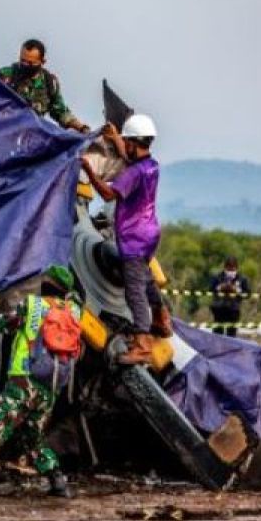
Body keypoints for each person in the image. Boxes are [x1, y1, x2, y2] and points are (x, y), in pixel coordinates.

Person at [0, 265, 84, 498]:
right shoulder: (74, 311)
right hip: (51, 386)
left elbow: (0, 324)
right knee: (31, 436)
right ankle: (57, 481)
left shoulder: (32, 306)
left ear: (48, 284)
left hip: (24, 379)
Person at [80, 114, 170, 364]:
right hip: (150, 233)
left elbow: (108, 194)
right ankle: (163, 318)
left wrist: (89, 170)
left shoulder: (132, 174)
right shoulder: (152, 166)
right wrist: (118, 140)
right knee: (146, 277)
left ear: (133, 142)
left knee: (134, 291)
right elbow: (132, 157)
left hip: (133, 238)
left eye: (126, 142)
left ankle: (142, 344)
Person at [0, 39, 90, 133]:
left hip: (30, 137)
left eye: (30, 63)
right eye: (22, 61)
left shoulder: (49, 83)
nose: (25, 65)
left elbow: (61, 112)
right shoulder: (6, 76)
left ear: (42, 62)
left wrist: (82, 128)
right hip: (3, 131)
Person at [210, 256, 251, 337]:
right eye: (228, 269)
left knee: (231, 334)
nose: (230, 271)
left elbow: (248, 294)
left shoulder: (242, 278)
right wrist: (220, 287)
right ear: (225, 267)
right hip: (219, 309)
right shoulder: (218, 277)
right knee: (217, 333)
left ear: (236, 268)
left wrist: (237, 290)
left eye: (233, 269)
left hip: (233, 310)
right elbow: (211, 289)